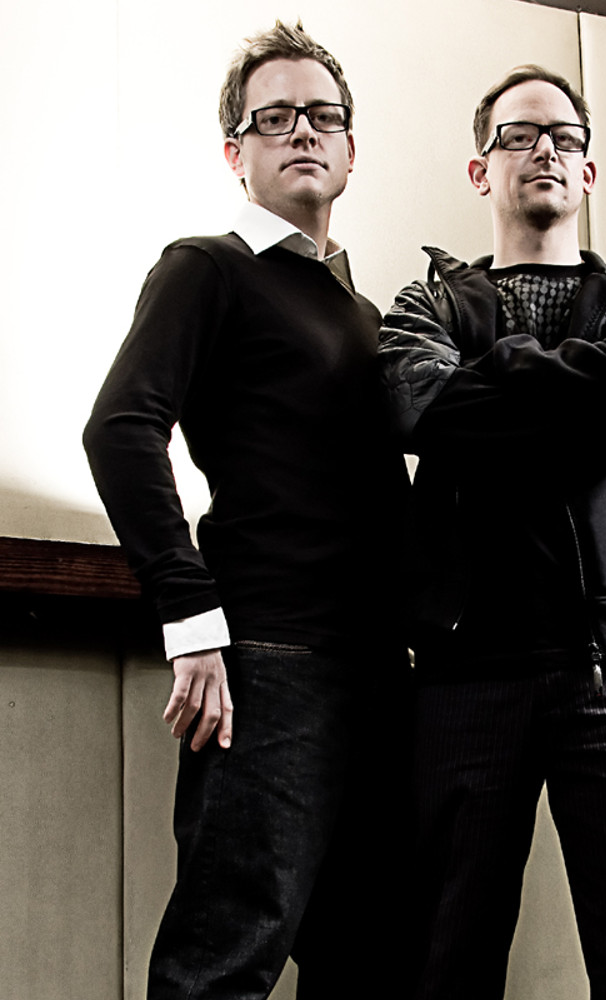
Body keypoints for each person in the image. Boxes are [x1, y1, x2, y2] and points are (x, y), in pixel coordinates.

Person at [83, 21, 410, 1000]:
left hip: (378, 672)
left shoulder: (364, 313)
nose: (302, 130)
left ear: (350, 148)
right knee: (225, 961)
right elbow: (120, 428)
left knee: (372, 964)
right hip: (270, 663)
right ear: (237, 153)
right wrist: (190, 617)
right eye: (274, 118)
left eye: (323, 116)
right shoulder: (207, 267)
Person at [378, 65, 606, 1000]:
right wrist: (585, 392)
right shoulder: (424, 308)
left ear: (590, 170)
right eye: (518, 136)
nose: (545, 151)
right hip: (466, 676)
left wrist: (494, 380)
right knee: (446, 963)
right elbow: (416, 406)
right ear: (481, 170)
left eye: (564, 136)